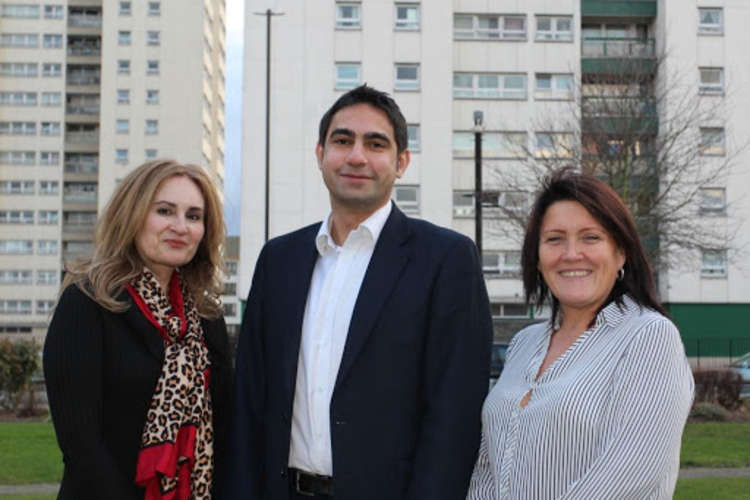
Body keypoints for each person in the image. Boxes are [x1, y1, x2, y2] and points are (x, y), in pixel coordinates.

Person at [225, 85, 493, 500]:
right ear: (320, 154)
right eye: (343, 140)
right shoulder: (278, 260)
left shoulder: (446, 260)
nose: (356, 156)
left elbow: (454, 415)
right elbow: (249, 400)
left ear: (401, 162)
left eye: (376, 144)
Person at [467, 169, 694, 499]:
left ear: (621, 252)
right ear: (538, 257)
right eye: (555, 239)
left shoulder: (649, 336)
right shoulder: (524, 343)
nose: (571, 254)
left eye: (591, 237)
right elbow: (489, 466)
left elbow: (629, 470)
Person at [44, 160, 232, 499]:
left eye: (193, 216)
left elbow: (226, 430)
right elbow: (80, 444)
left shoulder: (207, 316)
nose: (180, 226)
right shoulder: (87, 302)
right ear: (132, 215)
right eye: (164, 211)